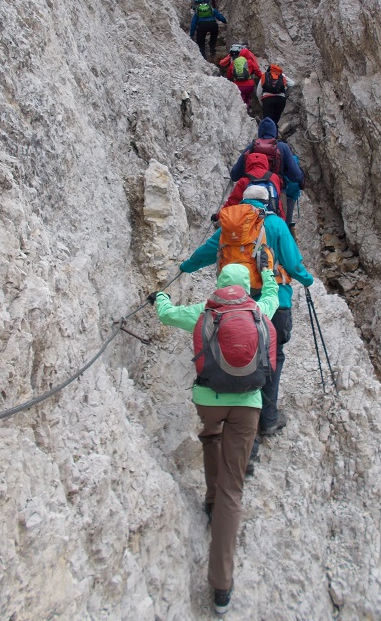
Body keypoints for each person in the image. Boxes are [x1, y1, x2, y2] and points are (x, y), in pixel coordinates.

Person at [151, 263, 279, 615]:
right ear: (243, 287)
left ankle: (210, 502)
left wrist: (160, 296)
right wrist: (267, 274)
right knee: (233, 489)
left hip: (208, 399)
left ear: (220, 284)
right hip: (249, 404)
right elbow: (272, 297)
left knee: (210, 438)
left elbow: (167, 314)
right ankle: (221, 586)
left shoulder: (204, 311)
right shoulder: (258, 310)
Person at [180, 185, 314, 440]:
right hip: (275, 304)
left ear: (243, 201)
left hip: (236, 306)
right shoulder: (275, 225)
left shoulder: (230, 226)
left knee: (242, 356)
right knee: (273, 356)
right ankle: (268, 420)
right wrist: (307, 281)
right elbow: (294, 263)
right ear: (269, 202)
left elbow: (205, 253)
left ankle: (238, 419)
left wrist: (184, 267)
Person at [229, 117, 304, 194]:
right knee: (282, 203)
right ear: (274, 132)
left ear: (260, 132)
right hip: (276, 191)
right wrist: (301, 179)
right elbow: (295, 175)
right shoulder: (282, 147)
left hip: (252, 191)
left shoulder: (251, 147)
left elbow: (234, 175)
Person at [217, 151, 285, 219]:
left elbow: (232, 202)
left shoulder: (244, 180)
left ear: (248, 163)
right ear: (265, 163)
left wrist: (218, 216)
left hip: (250, 220)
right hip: (271, 217)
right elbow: (277, 200)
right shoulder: (274, 178)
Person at [219, 44, 262, 109]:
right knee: (247, 97)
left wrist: (229, 79)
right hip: (250, 86)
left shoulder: (235, 62)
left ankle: (243, 112)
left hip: (238, 86)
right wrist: (263, 78)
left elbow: (229, 74)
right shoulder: (250, 62)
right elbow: (258, 72)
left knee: (241, 100)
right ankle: (248, 108)